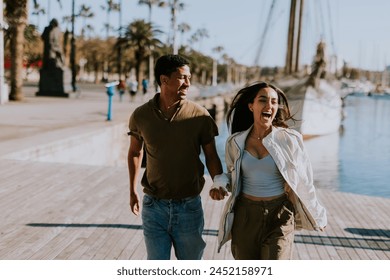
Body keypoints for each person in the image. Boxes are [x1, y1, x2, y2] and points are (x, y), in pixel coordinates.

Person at [210, 81, 327, 260]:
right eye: (263, 100)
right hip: (245, 216)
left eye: (273, 101)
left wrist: (317, 213)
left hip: (279, 215)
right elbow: (232, 174)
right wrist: (219, 184)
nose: (269, 106)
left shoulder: (290, 139)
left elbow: (304, 179)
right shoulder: (235, 142)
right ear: (251, 106)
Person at [127, 54, 224, 260]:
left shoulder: (200, 116)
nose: (188, 83)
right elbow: (135, 152)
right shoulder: (141, 115)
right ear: (164, 80)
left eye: (189, 77)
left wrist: (218, 182)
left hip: (189, 207)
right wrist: (132, 190)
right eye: (182, 78)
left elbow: (212, 156)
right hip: (154, 207)